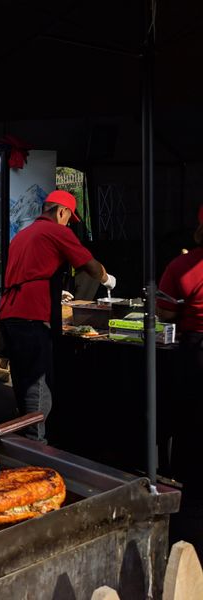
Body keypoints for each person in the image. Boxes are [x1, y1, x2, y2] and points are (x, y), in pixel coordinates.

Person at [0, 190, 115, 442]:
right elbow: (90, 265)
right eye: (68, 218)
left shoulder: (22, 235)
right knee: (38, 384)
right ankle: (34, 443)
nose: (67, 223)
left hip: (9, 314)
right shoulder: (57, 232)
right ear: (61, 211)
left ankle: (22, 436)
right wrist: (108, 279)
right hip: (31, 315)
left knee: (22, 378)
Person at [157, 205, 203, 505]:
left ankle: (192, 485)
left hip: (195, 348)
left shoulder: (182, 265)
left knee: (192, 418)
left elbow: (166, 311)